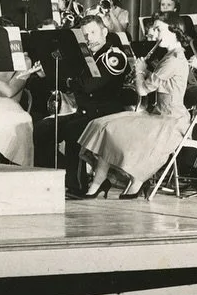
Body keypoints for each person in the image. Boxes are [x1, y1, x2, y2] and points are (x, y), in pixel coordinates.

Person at [78, 17, 192, 198]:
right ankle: (101, 182)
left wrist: (139, 70)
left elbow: (143, 90)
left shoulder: (175, 59)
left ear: (174, 32)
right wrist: (144, 71)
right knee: (103, 125)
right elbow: (158, 81)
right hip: (158, 115)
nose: (155, 34)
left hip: (171, 120)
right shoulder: (169, 56)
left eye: (159, 30)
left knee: (112, 129)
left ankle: (127, 180)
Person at [32, 14, 136, 188]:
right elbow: (67, 86)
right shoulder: (83, 57)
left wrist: (68, 79)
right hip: (86, 113)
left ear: (104, 32)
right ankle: (53, 179)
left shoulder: (114, 56)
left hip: (106, 114)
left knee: (73, 131)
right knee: (43, 129)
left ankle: (77, 185)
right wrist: (47, 74)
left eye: (93, 33)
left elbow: (89, 86)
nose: (89, 39)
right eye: (85, 35)